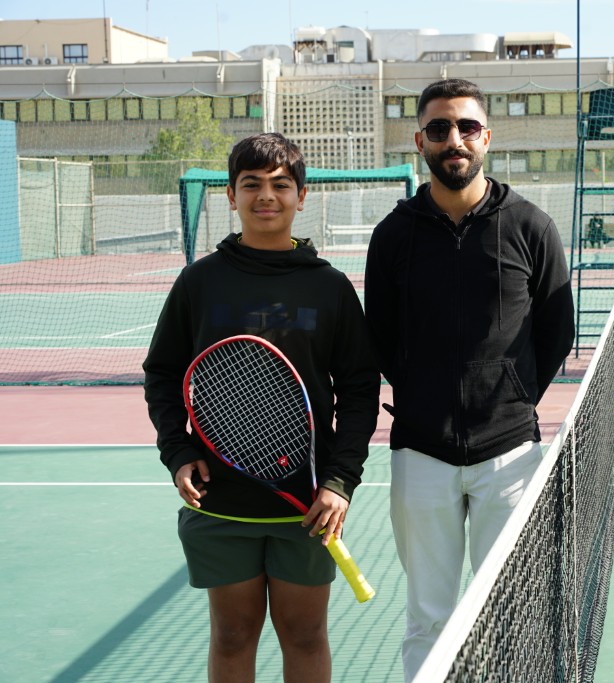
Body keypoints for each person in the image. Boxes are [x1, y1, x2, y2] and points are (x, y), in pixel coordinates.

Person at [143, 133, 380, 683]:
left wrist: (340, 480)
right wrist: (177, 451)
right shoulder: (199, 281)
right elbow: (163, 373)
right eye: (251, 184)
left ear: (301, 196)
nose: (266, 196)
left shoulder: (330, 287)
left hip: (308, 505)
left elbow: (359, 388)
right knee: (231, 636)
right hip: (221, 501)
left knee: (304, 635)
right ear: (231, 195)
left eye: (280, 184)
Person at [364, 78, 575, 682]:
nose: (453, 139)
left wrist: (510, 399)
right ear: (419, 142)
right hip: (420, 451)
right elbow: (380, 335)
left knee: (511, 615)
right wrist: (423, 395)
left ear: (487, 137)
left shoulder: (531, 226)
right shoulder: (394, 234)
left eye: (466, 127)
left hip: (508, 455)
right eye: (439, 128)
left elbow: (556, 330)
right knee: (428, 618)